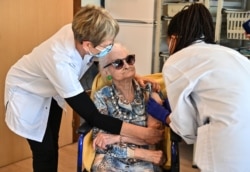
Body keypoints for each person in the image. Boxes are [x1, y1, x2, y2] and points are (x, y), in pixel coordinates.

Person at [4, 5, 163, 172]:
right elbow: (93, 116)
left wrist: (134, 76)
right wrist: (143, 134)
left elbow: (112, 58)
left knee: (53, 142)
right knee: (44, 151)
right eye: (106, 45)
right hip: (27, 92)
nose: (109, 47)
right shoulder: (60, 62)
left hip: (50, 90)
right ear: (87, 45)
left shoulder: (82, 31)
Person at [146, 3, 250, 172]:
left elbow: (188, 131)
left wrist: (164, 115)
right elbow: (218, 99)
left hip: (228, 146)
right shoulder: (232, 54)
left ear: (173, 39)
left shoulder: (176, 61)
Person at [90, 43, 165, 172]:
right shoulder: (102, 96)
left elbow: (154, 136)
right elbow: (101, 144)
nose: (126, 66)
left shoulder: (149, 91)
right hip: (113, 158)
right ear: (107, 71)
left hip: (146, 161)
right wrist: (139, 152)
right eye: (118, 63)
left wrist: (117, 138)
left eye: (129, 60)